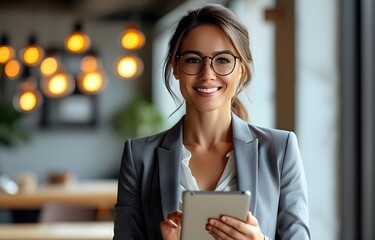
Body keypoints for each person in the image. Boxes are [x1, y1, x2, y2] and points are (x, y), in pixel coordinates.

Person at [113, 3, 310, 240]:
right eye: (193, 60)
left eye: (223, 60)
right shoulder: (139, 156)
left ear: (242, 69)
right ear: (176, 66)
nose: (207, 74)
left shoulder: (281, 149)